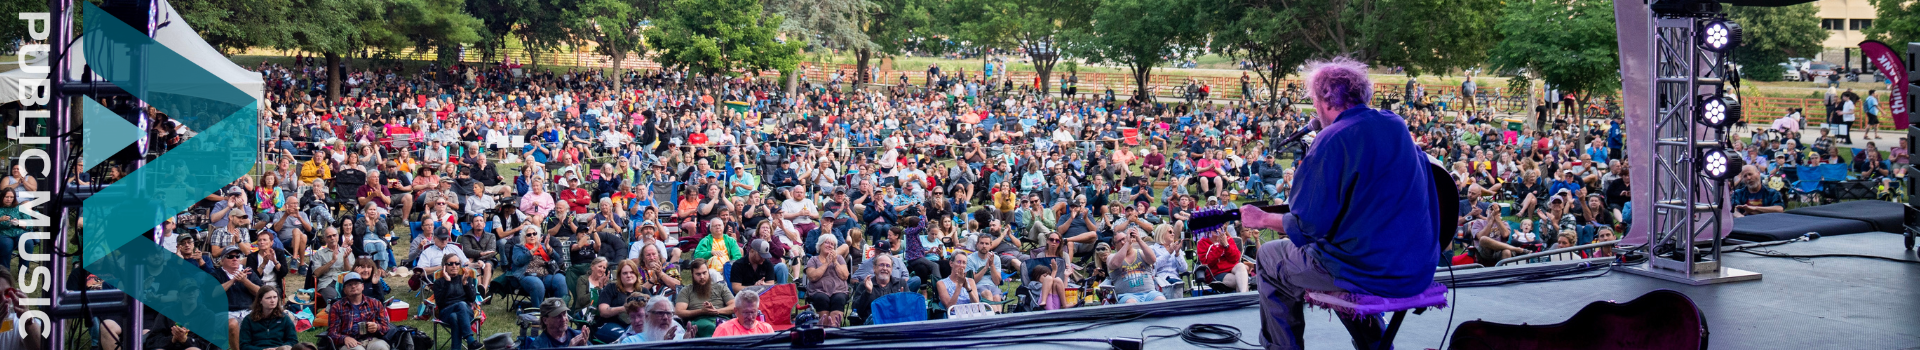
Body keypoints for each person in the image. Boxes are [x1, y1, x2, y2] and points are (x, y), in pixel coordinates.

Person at [1247, 58, 1441, 350]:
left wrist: (1261, 219)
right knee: (1336, 253)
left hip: (1368, 269)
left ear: (1324, 100)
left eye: (1314, 101)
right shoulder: (1395, 124)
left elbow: (1306, 226)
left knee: (1271, 258)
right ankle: (1376, 344)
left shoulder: (1332, 139)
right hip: (1416, 266)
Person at [325, 272, 392, 350]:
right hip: (349, 341)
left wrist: (377, 327)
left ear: (362, 286)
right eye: (349, 285)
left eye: (356, 284)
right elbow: (332, 333)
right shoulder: (337, 306)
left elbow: (386, 327)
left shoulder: (375, 303)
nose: (353, 286)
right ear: (344, 290)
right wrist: (344, 339)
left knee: (381, 347)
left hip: (372, 339)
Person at [429, 252, 481, 350]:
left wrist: (465, 283)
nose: (454, 266)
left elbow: (472, 299)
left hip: (466, 313)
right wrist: (447, 282)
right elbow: (440, 303)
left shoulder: (465, 278)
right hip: (446, 312)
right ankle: (470, 340)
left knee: (455, 316)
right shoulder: (439, 282)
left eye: (457, 263)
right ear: (445, 267)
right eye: (450, 264)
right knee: (460, 306)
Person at [674, 259, 734, 338]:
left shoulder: (721, 287)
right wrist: (701, 311)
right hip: (699, 322)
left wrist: (716, 311)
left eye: (704, 273)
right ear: (692, 274)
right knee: (709, 327)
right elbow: (679, 312)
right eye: (698, 274)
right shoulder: (686, 290)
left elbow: (734, 306)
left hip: (721, 319)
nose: (702, 277)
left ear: (708, 271)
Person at [805, 234, 852, 327]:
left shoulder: (839, 259)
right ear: (820, 245)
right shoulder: (813, 260)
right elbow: (812, 277)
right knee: (822, 298)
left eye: (832, 244)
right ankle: (824, 328)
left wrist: (835, 262)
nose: (830, 245)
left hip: (839, 290)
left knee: (839, 299)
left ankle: (834, 328)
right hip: (818, 291)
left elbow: (845, 276)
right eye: (827, 243)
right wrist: (826, 263)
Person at [1106, 228, 1162, 304]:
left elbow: (1153, 259)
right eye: (1119, 241)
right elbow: (1115, 264)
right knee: (1131, 303)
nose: (1122, 242)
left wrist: (1139, 240)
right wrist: (1127, 244)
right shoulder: (1111, 257)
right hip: (1127, 296)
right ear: (1115, 245)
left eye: (1124, 239)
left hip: (1150, 293)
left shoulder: (1140, 253)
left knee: (1160, 300)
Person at [521, 298, 591, 348]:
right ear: (545, 320)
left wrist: (585, 346)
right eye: (558, 316)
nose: (564, 319)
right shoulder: (539, 346)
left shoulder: (578, 336)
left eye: (564, 314)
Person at [615, 295, 687, 343]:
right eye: (660, 313)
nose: (665, 317)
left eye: (668, 313)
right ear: (647, 316)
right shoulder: (630, 341)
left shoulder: (681, 336)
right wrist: (664, 346)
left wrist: (689, 346)